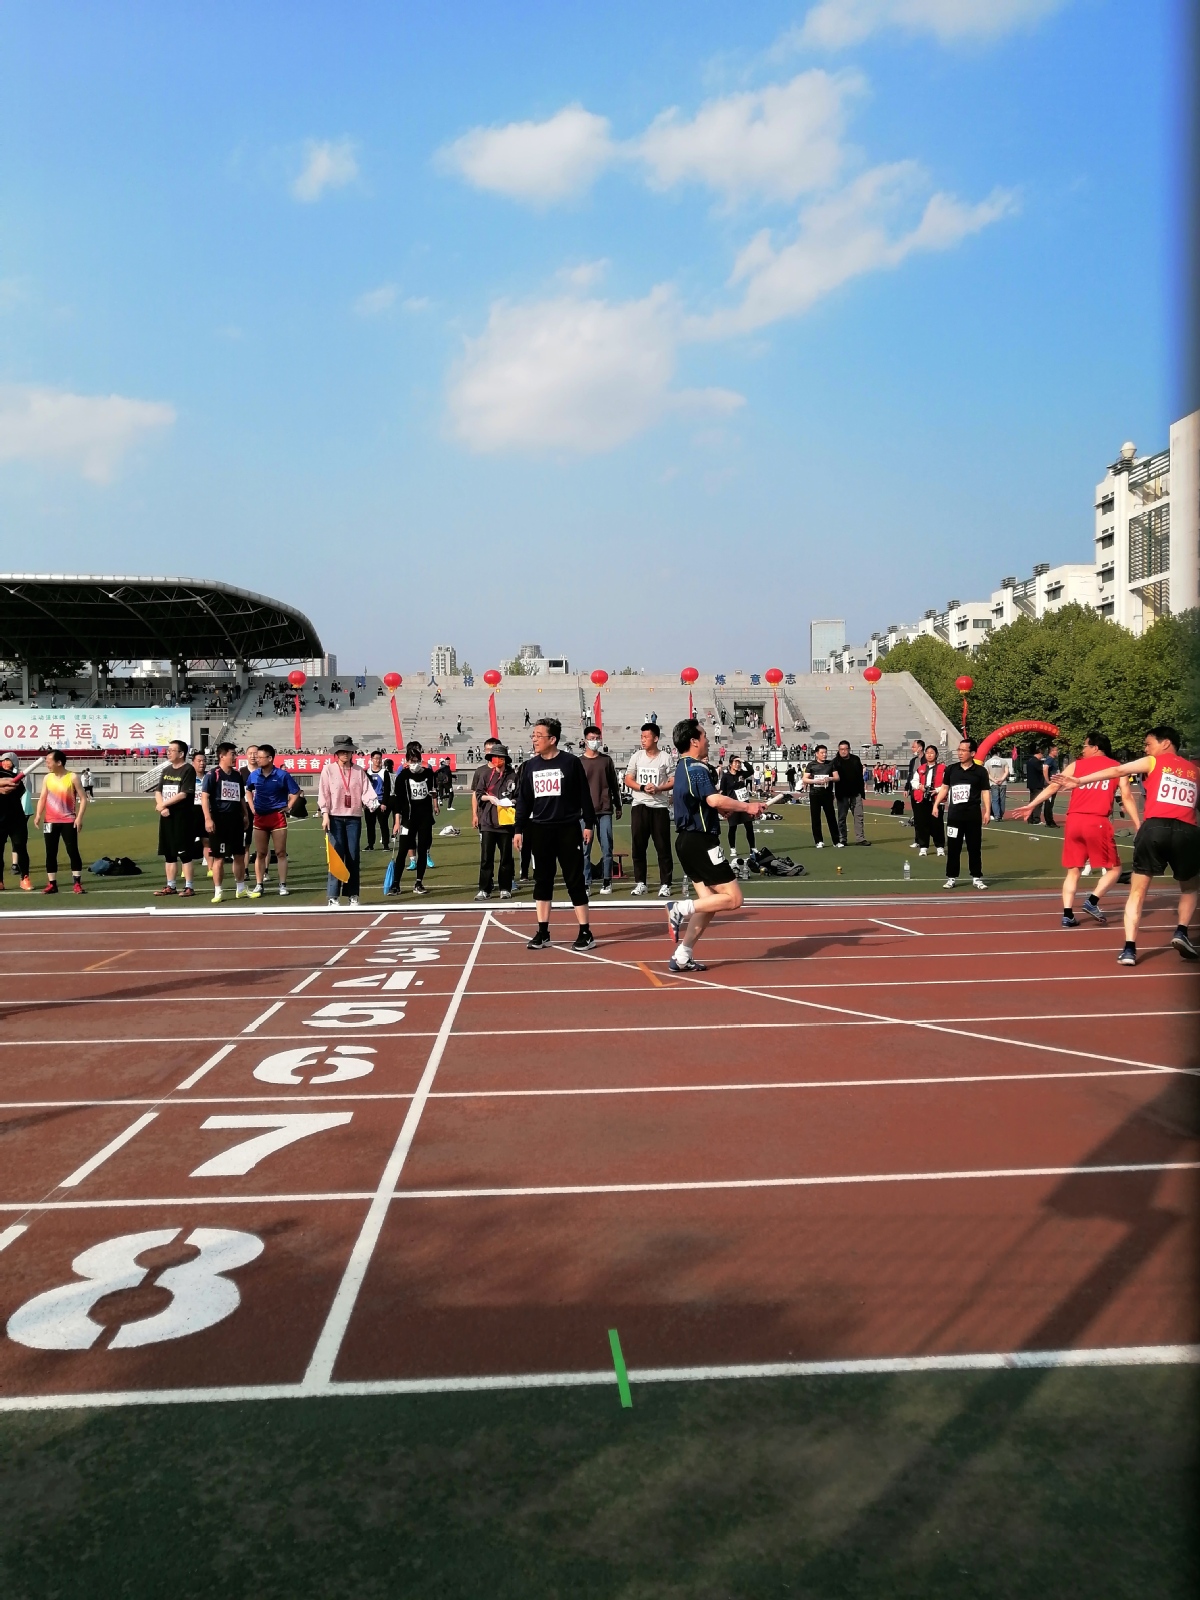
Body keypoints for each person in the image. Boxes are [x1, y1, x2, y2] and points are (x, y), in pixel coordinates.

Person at [1056, 724, 1198, 966]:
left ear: (1165, 743)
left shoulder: (1154, 762)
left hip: (1154, 828)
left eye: (1148, 744)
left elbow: (1118, 770)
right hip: (1187, 831)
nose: (1146, 748)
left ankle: (1129, 949)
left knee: (1138, 891)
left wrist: (1079, 780)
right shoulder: (1194, 771)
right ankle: (1182, 931)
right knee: (1190, 888)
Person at [1010, 731, 1140, 929]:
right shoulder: (1117, 768)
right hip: (1097, 821)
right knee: (1115, 869)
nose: (1082, 749)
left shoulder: (1076, 765)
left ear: (1095, 747)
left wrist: (1031, 805)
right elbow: (1127, 796)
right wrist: (1138, 823)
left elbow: (1053, 787)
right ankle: (1092, 901)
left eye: (1085, 746)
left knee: (1074, 870)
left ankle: (1067, 915)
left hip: (1074, 821)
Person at [664, 718, 764, 974]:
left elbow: (700, 802)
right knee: (734, 899)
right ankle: (679, 908)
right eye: (704, 735)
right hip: (701, 841)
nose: (708, 740)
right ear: (694, 741)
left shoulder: (682, 767)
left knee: (709, 903)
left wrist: (719, 811)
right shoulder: (697, 768)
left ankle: (682, 956)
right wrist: (747, 807)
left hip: (686, 842)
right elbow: (713, 799)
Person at [513, 717, 596, 950]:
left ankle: (586, 932)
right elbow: (524, 800)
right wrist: (518, 829)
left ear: (552, 739)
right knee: (542, 881)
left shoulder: (570, 763)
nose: (534, 740)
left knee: (574, 880)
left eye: (538, 736)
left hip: (568, 828)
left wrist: (589, 823)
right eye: (533, 736)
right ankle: (543, 932)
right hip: (540, 829)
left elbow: (584, 795)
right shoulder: (530, 766)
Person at [318, 733, 380, 909]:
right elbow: (324, 793)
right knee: (336, 857)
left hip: (354, 818)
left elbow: (366, 791)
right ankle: (333, 896)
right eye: (342, 751)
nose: (345, 754)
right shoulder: (328, 770)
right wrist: (325, 814)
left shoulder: (359, 771)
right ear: (336, 753)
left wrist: (374, 804)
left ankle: (353, 894)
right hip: (334, 818)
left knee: (353, 856)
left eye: (348, 751)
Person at [932, 736, 991, 889]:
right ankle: (951, 877)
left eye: (964, 750)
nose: (960, 753)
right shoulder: (951, 769)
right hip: (954, 816)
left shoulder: (980, 771)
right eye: (959, 750)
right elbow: (945, 788)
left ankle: (976, 877)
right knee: (953, 847)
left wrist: (987, 811)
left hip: (972, 815)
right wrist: (936, 805)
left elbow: (985, 791)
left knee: (974, 847)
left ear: (973, 753)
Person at [624, 722, 675, 898]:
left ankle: (666, 884)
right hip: (640, 805)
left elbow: (673, 780)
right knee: (638, 846)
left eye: (646, 737)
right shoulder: (637, 756)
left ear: (656, 738)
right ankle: (640, 883)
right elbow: (628, 779)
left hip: (659, 807)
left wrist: (659, 788)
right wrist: (642, 787)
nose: (643, 740)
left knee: (663, 847)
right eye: (641, 737)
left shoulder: (665, 758)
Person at [245, 744, 301, 898]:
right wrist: (252, 806)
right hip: (260, 817)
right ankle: (259, 884)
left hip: (277, 817)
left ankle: (282, 885)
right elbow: (248, 790)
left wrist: (288, 806)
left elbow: (296, 792)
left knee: (280, 852)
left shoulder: (282, 775)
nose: (257, 759)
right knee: (260, 853)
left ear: (270, 758)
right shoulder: (254, 775)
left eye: (260, 757)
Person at [200, 742, 251, 903]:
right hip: (219, 820)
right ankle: (218, 891)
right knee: (219, 858)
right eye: (232, 754)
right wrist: (208, 818)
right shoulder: (212, 774)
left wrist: (245, 815)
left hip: (235, 819)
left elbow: (241, 797)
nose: (235, 757)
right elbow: (204, 797)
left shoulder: (236, 775)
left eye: (235, 754)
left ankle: (240, 889)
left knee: (239, 855)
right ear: (222, 756)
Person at [33, 750, 87, 895]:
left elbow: (83, 798)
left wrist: (79, 818)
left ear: (59, 762)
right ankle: (52, 884)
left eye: (49, 761)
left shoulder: (72, 777)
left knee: (72, 851)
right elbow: (43, 797)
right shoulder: (47, 778)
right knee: (50, 852)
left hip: (68, 820)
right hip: (50, 821)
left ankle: (77, 883)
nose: (47, 764)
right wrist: (38, 815)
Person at [392, 740, 439, 896]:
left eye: (417, 761)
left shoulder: (428, 774)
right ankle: (396, 884)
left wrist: (434, 798)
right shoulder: (402, 777)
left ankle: (419, 882)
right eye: (412, 761)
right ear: (407, 761)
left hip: (425, 818)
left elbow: (433, 791)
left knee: (423, 850)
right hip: (408, 819)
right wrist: (397, 822)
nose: (415, 764)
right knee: (402, 851)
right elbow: (398, 802)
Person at [580, 724, 622, 895]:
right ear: (585, 740)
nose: (595, 741)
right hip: (584, 813)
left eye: (597, 738)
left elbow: (614, 785)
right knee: (585, 850)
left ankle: (607, 881)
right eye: (591, 738)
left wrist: (618, 805)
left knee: (607, 848)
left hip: (604, 809)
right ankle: (586, 882)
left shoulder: (606, 760)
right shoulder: (578, 762)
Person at [154, 739, 198, 898]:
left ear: (181, 753)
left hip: (182, 817)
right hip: (166, 816)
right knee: (169, 854)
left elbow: (183, 794)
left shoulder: (188, 770)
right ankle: (170, 885)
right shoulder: (166, 770)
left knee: (184, 854)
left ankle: (189, 886)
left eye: (172, 750)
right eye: (168, 750)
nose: (168, 752)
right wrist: (162, 807)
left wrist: (163, 805)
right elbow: (158, 791)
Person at [474, 744, 518, 900]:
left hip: (506, 822)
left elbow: (519, 796)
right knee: (486, 858)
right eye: (494, 758)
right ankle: (484, 889)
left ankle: (505, 888)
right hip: (488, 822)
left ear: (505, 759)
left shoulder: (513, 776)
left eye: (500, 758)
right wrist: (489, 798)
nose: (497, 760)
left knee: (506, 857)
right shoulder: (486, 775)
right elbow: (479, 794)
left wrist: (511, 802)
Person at [0, 753, 32, 891]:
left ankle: (25, 878)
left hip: (16, 818)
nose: (6, 763)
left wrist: (8, 785)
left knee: (20, 847)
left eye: (9, 761)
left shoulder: (17, 777)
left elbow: (17, 790)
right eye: (4, 760)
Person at [908, 744, 946, 858]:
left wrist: (937, 790)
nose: (929, 755)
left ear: (936, 755)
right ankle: (923, 846)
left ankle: (940, 847)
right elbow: (913, 781)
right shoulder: (921, 768)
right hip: (922, 798)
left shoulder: (943, 768)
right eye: (927, 753)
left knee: (937, 824)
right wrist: (920, 786)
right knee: (922, 823)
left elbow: (947, 783)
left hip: (936, 799)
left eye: (932, 753)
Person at [830, 740, 868, 845]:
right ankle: (842, 839)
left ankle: (860, 839)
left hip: (856, 793)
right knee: (842, 817)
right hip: (842, 795)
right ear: (838, 750)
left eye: (845, 749)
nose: (843, 751)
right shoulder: (835, 762)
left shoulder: (855, 759)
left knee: (859, 816)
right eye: (841, 749)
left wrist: (862, 791)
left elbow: (860, 776)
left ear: (849, 749)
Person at [802, 745, 840, 848]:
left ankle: (836, 841)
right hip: (815, 794)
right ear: (816, 754)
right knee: (816, 818)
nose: (824, 755)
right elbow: (805, 779)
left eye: (825, 752)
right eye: (822, 753)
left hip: (827, 794)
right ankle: (818, 841)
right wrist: (815, 781)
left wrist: (829, 779)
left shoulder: (830, 764)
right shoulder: (811, 765)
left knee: (831, 817)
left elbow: (837, 777)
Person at [721, 757, 756, 857]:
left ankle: (752, 848)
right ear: (730, 764)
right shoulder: (725, 777)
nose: (738, 764)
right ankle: (732, 848)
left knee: (749, 826)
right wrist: (724, 808)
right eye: (736, 762)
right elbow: (723, 792)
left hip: (744, 804)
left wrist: (743, 761)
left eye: (739, 763)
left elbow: (751, 770)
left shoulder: (742, 774)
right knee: (733, 827)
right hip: (732, 805)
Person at [190, 751, 213, 876]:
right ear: (193, 762)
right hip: (191, 811)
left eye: (204, 761)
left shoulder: (209, 776)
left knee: (207, 841)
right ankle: (186, 868)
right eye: (199, 761)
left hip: (206, 812)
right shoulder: (188, 777)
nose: (202, 763)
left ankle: (210, 868)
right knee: (188, 841)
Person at [364, 752, 389, 851]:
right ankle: (370, 844)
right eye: (376, 758)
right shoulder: (367, 772)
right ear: (371, 759)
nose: (378, 761)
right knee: (370, 825)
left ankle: (386, 844)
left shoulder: (384, 772)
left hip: (380, 801)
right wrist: (364, 802)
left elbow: (387, 789)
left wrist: (384, 803)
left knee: (383, 824)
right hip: (369, 802)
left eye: (379, 759)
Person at [984, 746, 1012, 823]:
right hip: (1003, 783)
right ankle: (1001, 815)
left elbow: (987, 773)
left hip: (993, 783)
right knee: (1002, 800)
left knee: (995, 800)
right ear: (998, 753)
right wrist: (1002, 779)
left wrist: (994, 780)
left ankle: (996, 815)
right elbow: (1006, 772)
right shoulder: (1003, 761)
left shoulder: (987, 762)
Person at [1024, 746, 1050, 825]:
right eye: (1042, 755)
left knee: (1032, 801)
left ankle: (1030, 818)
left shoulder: (1029, 761)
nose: (1042, 757)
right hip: (1037, 784)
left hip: (1031, 784)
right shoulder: (1036, 762)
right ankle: (1036, 819)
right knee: (1038, 802)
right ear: (1039, 754)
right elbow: (1042, 770)